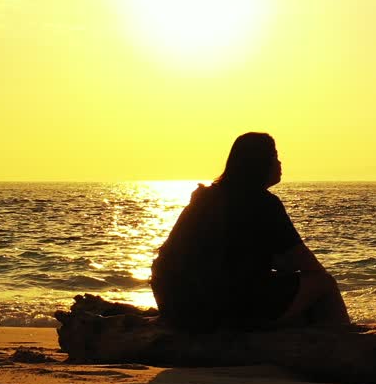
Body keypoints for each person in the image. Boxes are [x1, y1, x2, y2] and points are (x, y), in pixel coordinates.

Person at [150, 132, 351, 331]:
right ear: (260, 163)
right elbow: (307, 264)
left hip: (176, 307)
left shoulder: (204, 198)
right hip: (221, 310)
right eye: (275, 157)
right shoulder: (263, 203)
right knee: (323, 283)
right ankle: (344, 343)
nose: (280, 163)